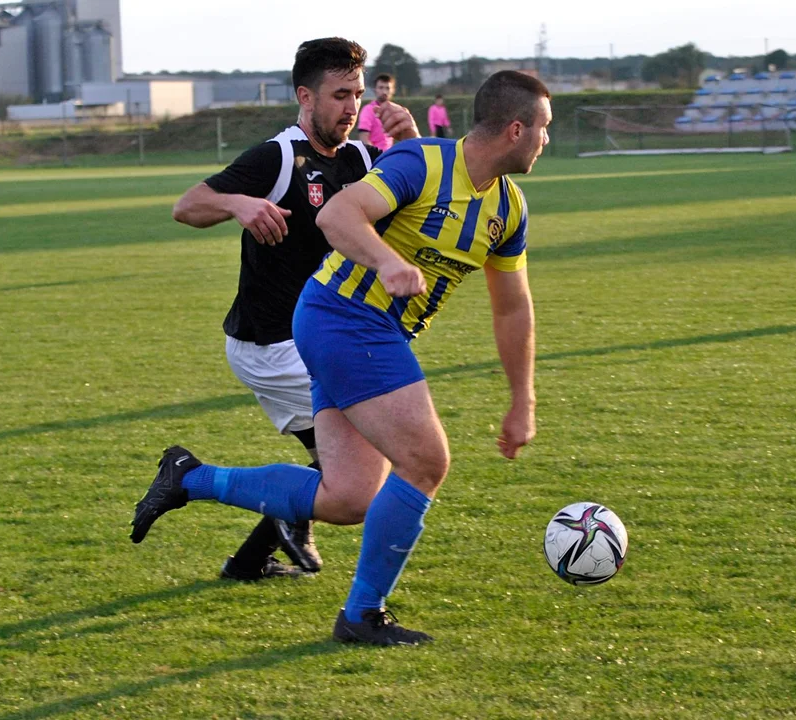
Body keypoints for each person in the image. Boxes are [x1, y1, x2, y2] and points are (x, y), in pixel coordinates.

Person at [131, 70, 549, 646]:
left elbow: (512, 310)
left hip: (357, 328)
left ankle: (190, 478)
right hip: (345, 317)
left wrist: (521, 399)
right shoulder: (422, 164)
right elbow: (336, 216)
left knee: (350, 496)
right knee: (426, 461)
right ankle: (361, 616)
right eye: (544, 129)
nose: (546, 141)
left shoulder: (508, 209)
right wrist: (386, 262)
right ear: (516, 128)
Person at [138, 37, 418, 583]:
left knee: (345, 467)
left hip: (318, 340)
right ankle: (200, 481)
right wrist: (236, 202)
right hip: (271, 344)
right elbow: (186, 206)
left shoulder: (361, 159)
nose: (352, 106)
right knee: (364, 466)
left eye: (357, 94)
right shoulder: (280, 156)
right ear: (305, 97)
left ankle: (248, 559)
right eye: (340, 94)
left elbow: (422, 198)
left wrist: (410, 141)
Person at [357, 73, 396, 151]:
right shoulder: (368, 110)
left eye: (387, 88)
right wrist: (376, 156)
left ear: (393, 90)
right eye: (381, 88)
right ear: (375, 89)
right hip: (375, 157)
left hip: (388, 156)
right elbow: (364, 138)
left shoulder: (394, 110)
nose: (384, 92)